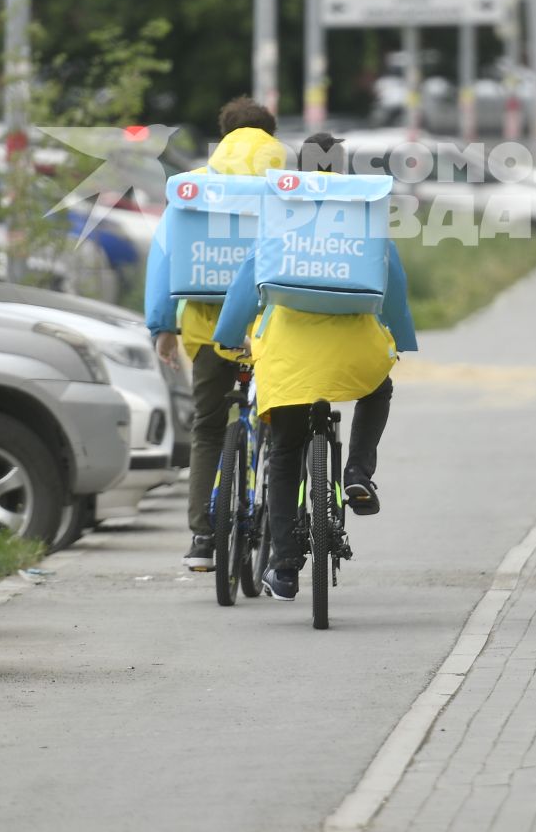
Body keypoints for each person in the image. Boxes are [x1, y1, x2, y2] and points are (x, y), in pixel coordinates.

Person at [212, 133, 416, 600]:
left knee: (284, 453)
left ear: (298, 168)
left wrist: (227, 337)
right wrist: (400, 338)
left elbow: (249, 278)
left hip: (289, 356)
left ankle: (285, 568)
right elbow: (394, 280)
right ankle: (359, 474)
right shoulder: (362, 208)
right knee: (377, 387)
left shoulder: (282, 210)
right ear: (341, 169)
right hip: (354, 348)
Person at [148, 97, 288, 572]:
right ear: (270, 136)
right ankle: (278, 532)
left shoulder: (192, 189)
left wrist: (163, 325)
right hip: (272, 331)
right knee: (282, 431)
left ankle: (203, 538)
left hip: (208, 331)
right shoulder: (286, 186)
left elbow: (167, 256)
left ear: (223, 137)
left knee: (207, 428)